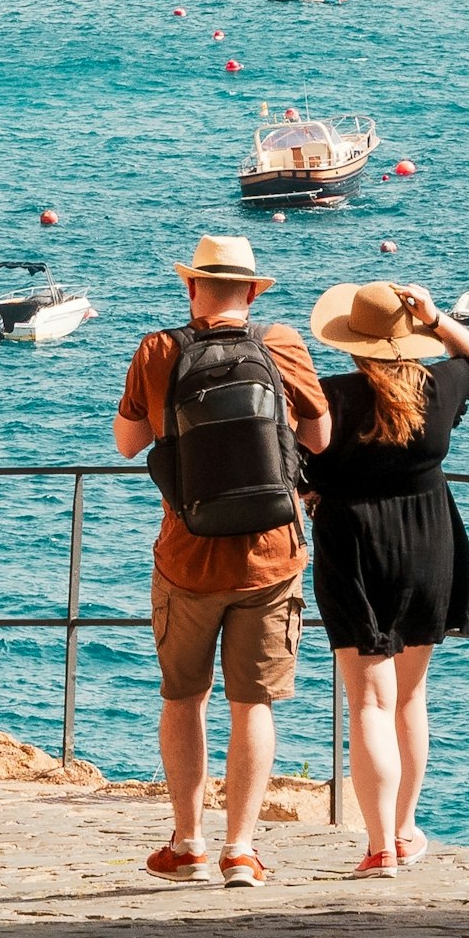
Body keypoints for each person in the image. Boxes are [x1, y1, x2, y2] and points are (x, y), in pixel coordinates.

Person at [113, 234, 331, 887]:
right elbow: (319, 436)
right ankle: (241, 849)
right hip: (272, 556)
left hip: (186, 557)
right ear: (254, 291)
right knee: (253, 705)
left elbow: (128, 443)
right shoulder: (281, 343)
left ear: (191, 289)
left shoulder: (158, 350)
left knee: (184, 698)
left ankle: (188, 842)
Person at [300, 280, 469, 879]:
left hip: (354, 545)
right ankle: (406, 831)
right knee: (409, 698)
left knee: (369, 704)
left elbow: (299, 455)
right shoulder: (438, 387)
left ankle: (379, 845)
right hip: (429, 542)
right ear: (405, 338)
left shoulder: (327, 398)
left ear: (351, 343)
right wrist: (436, 319)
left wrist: (311, 490)